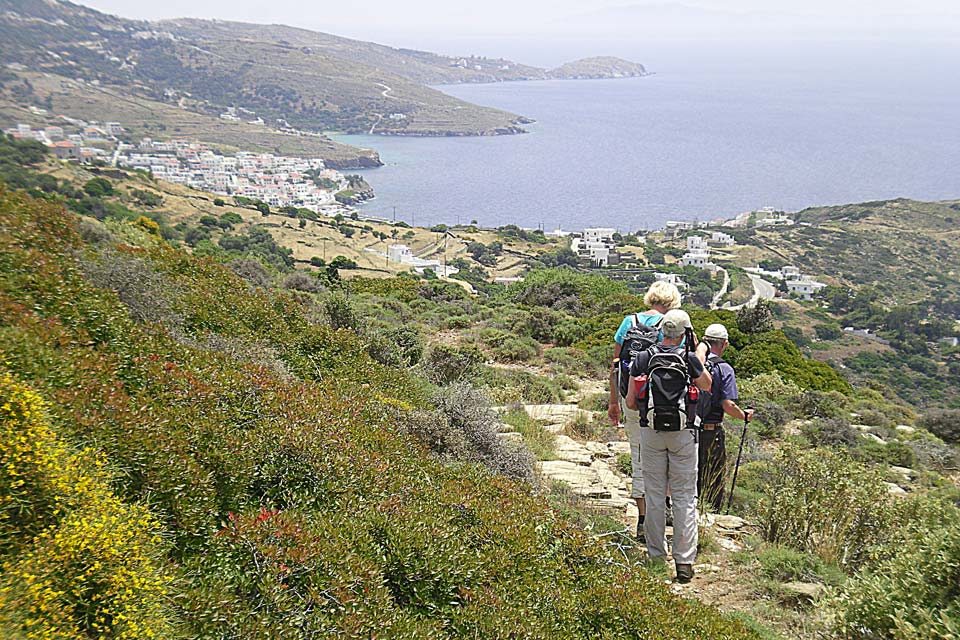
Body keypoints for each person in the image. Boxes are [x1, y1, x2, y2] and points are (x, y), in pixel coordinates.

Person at [626, 309, 711, 584]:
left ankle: (656, 557)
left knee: (654, 495)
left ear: (662, 330)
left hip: (650, 431)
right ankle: (684, 563)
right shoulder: (689, 359)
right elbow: (707, 385)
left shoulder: (643, 358)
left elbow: (631, 402)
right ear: (685, 333)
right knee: (684, 497)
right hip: (684, 433)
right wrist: (697, 354)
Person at [607, 281, 682, 539]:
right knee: (667, 454)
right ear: (672, 301)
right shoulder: (671, 325)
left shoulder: (629, 322)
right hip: (662, 403)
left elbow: (615, 366)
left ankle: (642, 520)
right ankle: (665, 507)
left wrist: (613, 402)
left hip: (630, 399)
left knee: (638, 456)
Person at [695, 323, 755, 512]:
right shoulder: (724, 368)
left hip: (688, 428)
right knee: (713, 474)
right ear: (724, 344)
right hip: (711, 431)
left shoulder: (693, 363)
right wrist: (744, 416)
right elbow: (728, 405)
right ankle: (710, 513)